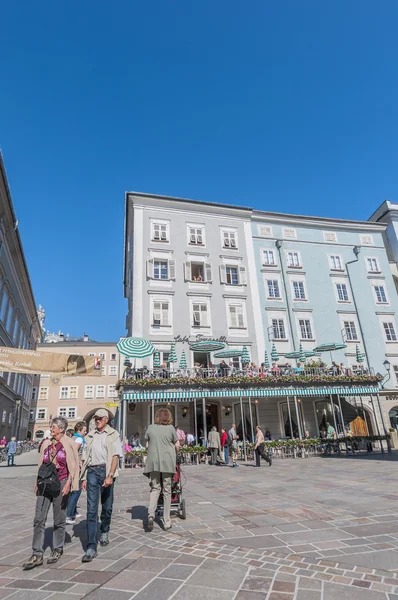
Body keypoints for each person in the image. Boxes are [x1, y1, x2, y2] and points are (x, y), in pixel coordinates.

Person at [22, 417, 79, 570]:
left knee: (59, 518)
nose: (51, 428)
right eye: (51, 426)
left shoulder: (69, 443)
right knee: (38, 518)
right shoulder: (46, 443)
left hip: (61, 482)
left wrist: (69, 483)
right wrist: (37, 481)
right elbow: (41, 463)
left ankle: (57, 548)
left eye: (53, 426)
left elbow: (74, 465)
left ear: (61, 429)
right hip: (45, 483)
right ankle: (37, 553)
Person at [80, 409, 123, 563]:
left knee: (107, 506)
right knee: (91, 509)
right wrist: (83, 477)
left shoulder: (113, 435)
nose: (96, 421)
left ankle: (104, 530)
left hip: (106, 471)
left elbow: (115, 456)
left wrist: (110, 475)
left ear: (106, 420)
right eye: (95, 419)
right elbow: (85, 457)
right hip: (92, 471)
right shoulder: (90, 435)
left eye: (99, 418)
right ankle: (91, 546)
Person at [144, 407, 180, 532]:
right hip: (167, 461)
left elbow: (147, 445)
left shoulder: (151, 427)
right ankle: (166, 520)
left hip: (153, 461)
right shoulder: (170, 428)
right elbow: (177, 445)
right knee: (167, 490)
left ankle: (150, 515)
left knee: (155, 488)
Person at [66, 421, 87, 524]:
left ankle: (73, 511)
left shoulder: (73, 437)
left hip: (74, 466)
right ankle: (68, 515)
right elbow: (74, 452)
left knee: (74, 489)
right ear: (79, 430)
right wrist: (78, 464)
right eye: (84, 430)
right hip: (77, 467)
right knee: (76, 490)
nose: (85, 432)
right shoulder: (78, 439)